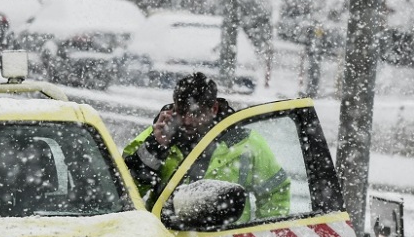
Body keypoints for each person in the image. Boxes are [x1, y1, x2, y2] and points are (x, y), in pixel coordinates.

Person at [123, 72, 290, 223]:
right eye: (181, 112)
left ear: (214, 109)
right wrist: (156, 146)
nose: (187, 121)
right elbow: (125, 191)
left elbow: (275, 192)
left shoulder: (246, 143)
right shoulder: (155, 136)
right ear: (173, 107)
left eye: (196, 114)